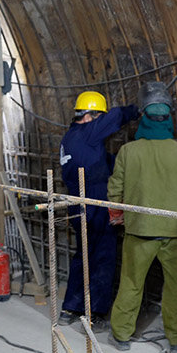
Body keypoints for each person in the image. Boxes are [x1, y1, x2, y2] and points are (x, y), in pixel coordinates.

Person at [107, 82, 177, 353]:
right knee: (175, 288)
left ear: (143, 117)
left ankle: (121, 334)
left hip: (139, 231)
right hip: (175, 233)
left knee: (132, 284)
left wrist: (118, 215)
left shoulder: (128, 151)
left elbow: (115, 190)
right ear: (169, 118)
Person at [57, 90, 139, 329]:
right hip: (94, 202)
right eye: (98, 116)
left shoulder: (70, 138)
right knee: (103, 256)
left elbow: (99, 162)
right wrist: (134, 111)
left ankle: (70, 307)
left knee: (83, 254)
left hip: (77, 202)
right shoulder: (88, 132)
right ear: (91, 115)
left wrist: (119, 164)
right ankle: (95, 314)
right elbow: (115, 116)